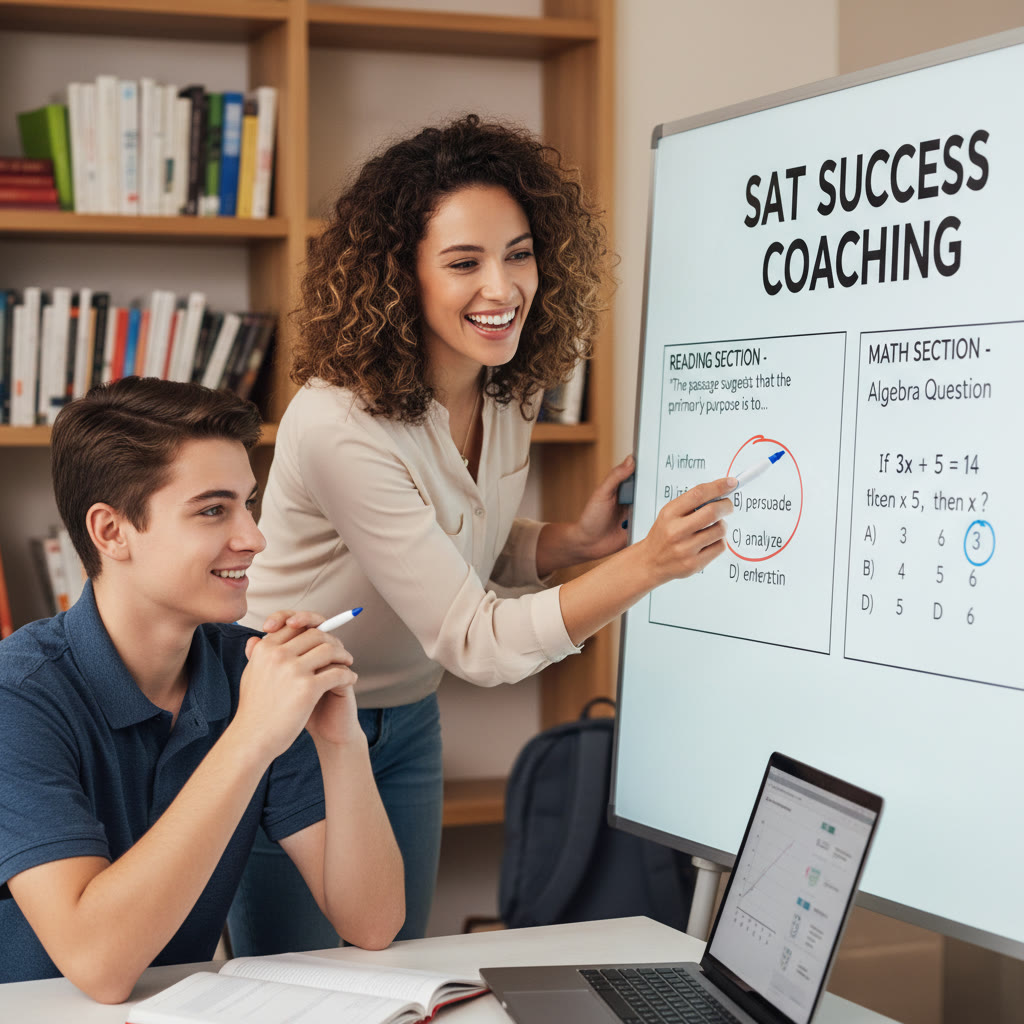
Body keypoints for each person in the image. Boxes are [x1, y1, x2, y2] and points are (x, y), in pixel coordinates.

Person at [228, 114, 735, 953]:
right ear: (402, 278)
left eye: (519, 253)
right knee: (299, 993)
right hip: (291, 719)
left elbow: (450, 544)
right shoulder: (338, 422)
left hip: (405, 719)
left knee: (397, 969)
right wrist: (647, 567)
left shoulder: (507, 386)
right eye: (464, 263)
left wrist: (569, 544)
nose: (501, 289)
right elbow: (476, 640)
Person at [0, 377, 404, 1000]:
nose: (254, 537)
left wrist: (340, 740)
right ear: (111, 532)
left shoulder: (248, 671)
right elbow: (100, 966)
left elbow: (373, 924)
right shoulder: (18, 695)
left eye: (248, 503)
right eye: (213, 510)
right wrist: (250, 738)